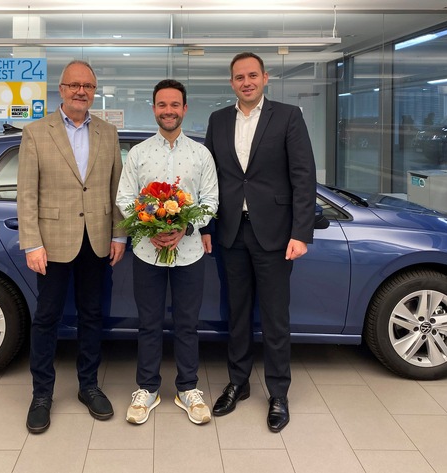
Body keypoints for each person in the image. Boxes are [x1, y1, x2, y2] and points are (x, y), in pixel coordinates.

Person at [204, 52, 317, 433]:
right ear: (231, 82)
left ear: (265, 78)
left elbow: (303, 177)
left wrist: (300, 233)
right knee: (236, 313)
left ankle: (278, 393)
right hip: (231, 231)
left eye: (253, 75)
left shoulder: (288, 116)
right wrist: (206, 226)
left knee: (274, 317)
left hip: (276, 234)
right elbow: (210, 178)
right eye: (239, 77)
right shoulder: (219, 120)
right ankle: (238, 383)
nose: (246, 82)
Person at [18, 59, 126, 434]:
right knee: (46, 318)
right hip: (51, 243)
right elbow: (26, 194)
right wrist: (32, 243)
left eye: (88, 86)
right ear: (61, 89)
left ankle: (88, 386)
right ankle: (42, 395)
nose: (81, 91)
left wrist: (119, 234)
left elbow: (116, 188)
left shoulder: (108, 133)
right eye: (74, 85)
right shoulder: (35, 132)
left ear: (94, 92)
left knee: (91, 315)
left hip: (96, 240)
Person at [116, 79, 219, 425]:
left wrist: (184, 227)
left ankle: (188, 388)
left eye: (175, 105)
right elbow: (124, 198)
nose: (168, 111)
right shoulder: (139, 153)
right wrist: (150, 225)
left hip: (189, 252)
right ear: (154, 109)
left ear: (184, 109)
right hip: (147, 252)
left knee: (188, 324)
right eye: (162, 105)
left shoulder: (201, 154)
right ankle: (147, 388)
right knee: (149, 323)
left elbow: (210, 201)